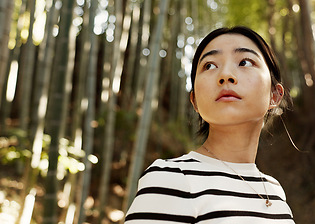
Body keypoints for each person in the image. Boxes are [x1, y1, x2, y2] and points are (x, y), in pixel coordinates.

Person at [125, 26, 295, 223]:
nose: (226, 75)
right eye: (210, 66)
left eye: (245, 62)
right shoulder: (171, 178)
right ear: (195, 101)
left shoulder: (274, 190)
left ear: (274, 95)